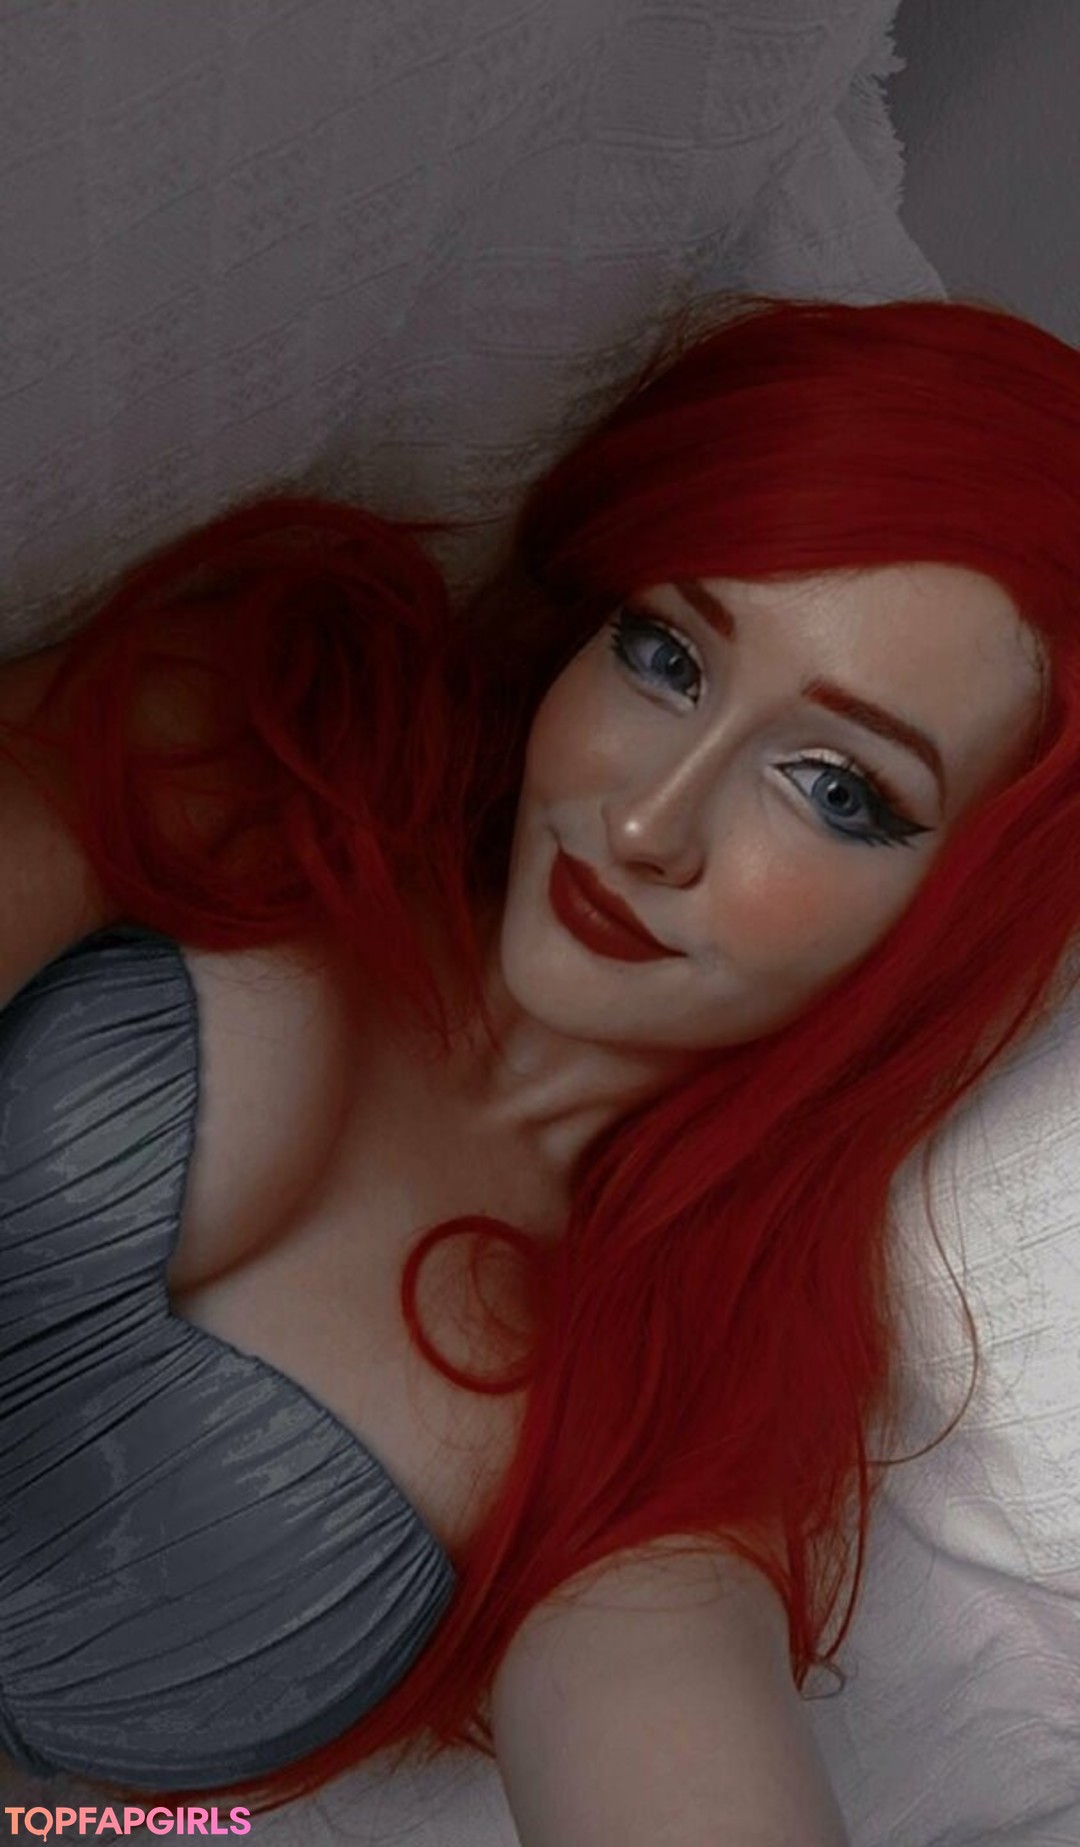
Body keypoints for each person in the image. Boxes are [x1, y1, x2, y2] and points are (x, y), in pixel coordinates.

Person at [0, 290, 1076, 1845]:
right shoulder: (272, 730)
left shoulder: (668, 1440)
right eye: (666, 655)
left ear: (950, 916)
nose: (650, 819)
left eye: (836, 789)